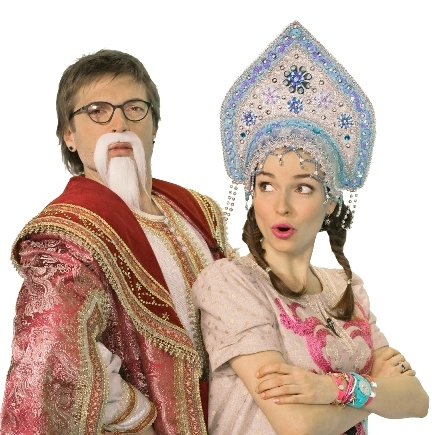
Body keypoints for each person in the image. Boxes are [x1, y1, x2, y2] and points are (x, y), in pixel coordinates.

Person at [192, 21, 429, 434]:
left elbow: (417, 400)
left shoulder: (346, 289)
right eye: (266, 185)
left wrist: (328, 388)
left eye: (303, 188)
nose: (281, 206)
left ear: (330, 203)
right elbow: (296, 425)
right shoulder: (229, 284)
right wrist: (373, 391)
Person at [0, 49, 228, 434]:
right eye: (97, 111)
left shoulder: (199, 211)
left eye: (135, 108)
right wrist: (136, 418)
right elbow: (55, 356)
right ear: (69, 135)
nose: (119, 123)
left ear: (154, 126)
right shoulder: (65, 232)